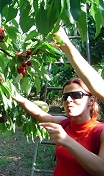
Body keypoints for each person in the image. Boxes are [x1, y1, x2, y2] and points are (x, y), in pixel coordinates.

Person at [11, 27, 104, 176]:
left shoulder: (99, 132)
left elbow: (101, 170)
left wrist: (66, 140)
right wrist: (15, 95)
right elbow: (39, 114)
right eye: (65, 96)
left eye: (76, 95)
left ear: (91, 100)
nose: (68, 100)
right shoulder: (65, 123)